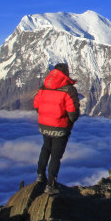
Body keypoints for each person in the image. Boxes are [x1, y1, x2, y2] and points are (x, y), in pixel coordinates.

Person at [33, 62, 80, 194]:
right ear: (66, 73)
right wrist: (69, 122)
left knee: (45, 148)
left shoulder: (44, 87)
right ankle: (51, 185)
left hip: (44, 125)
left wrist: (45, 116)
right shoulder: (69, 89)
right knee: (56, 156)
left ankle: (40, 176)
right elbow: (73, 111)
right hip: (61, 127)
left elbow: (36, 105)